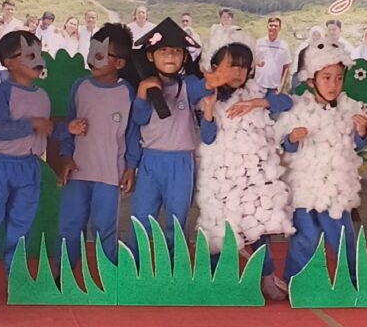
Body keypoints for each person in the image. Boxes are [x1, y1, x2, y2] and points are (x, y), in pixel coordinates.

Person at [196, 31, 295, 301]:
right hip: (221, 176)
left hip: (254, 177)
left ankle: (266, 277)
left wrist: (256, 103)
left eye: (243, 66)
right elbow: (207, 137)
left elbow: (287, 102)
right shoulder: (210, 96)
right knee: (219, 228)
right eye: (231, 65)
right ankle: (215, 278)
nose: (238, 72)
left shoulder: (257, 92)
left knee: (257, 227)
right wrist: (208, 112)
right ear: (215, 66)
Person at [127, 18, 232, 255]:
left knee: (177, 220)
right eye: (163, 50)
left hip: (181, 163)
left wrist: (214, 80)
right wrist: (143, 93)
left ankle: (175, 267)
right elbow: (139, 119)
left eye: (177, 51)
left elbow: (206, 87)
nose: (170, 56)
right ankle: (132, 266)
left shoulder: (188, 86)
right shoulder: (145, 86)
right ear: (150, 56)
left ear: (185, 57)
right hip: (150, 162)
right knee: (141, 218)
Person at [275, 39, 367, 284]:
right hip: (305, 189)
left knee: (343, 236)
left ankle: (352, 281)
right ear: (311, 80)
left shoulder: (351, 109)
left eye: (338, 78)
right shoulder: (297, 109)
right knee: (305, 237)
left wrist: (361, 132)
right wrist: (291, 139)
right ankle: (296, 281)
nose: (333, 84)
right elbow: (283, 144)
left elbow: (358, 144)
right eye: (326, 78)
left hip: (337, 189)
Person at [0, 31, 52, 303]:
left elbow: (48, 129)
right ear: (8, 62)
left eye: (39, 53)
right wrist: (32, 124)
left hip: (29, 166)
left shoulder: (43, 95)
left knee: (22, 225)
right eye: (29, 55)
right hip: (0, 165)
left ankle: (17, 278)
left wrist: (66, 129)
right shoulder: (2, 93)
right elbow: (1, 129)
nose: (38, 60)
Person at [55, 24, 137, 269]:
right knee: (69, 225)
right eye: (91, 51)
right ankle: (63, 274)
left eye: (100, 55)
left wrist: (131, 166)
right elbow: (70, 124)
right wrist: (66, 156)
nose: (92, 59)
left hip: (109, 175)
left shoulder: (127, 93)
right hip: (78, 172)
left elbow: (132, 133)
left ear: (119, 63)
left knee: (105, 228)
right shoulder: (80, 87)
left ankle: (109, 275)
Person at [254, 17, 292, 94]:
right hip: (258, 86)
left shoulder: (284, 46)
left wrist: (281, 86)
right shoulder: (259, 43)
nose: (273, 28)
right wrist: (256, 62)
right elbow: (252, 60)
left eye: (276, 26)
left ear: (279, 28)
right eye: (271, 25)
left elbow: (286, 67)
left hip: (274, 88)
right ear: (267, 26)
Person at [292, 26, 324, 92]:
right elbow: (299, 67)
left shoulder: (326, 51)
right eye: (314, 35)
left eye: (318, 35)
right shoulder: (303, 50)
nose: (316, 37)